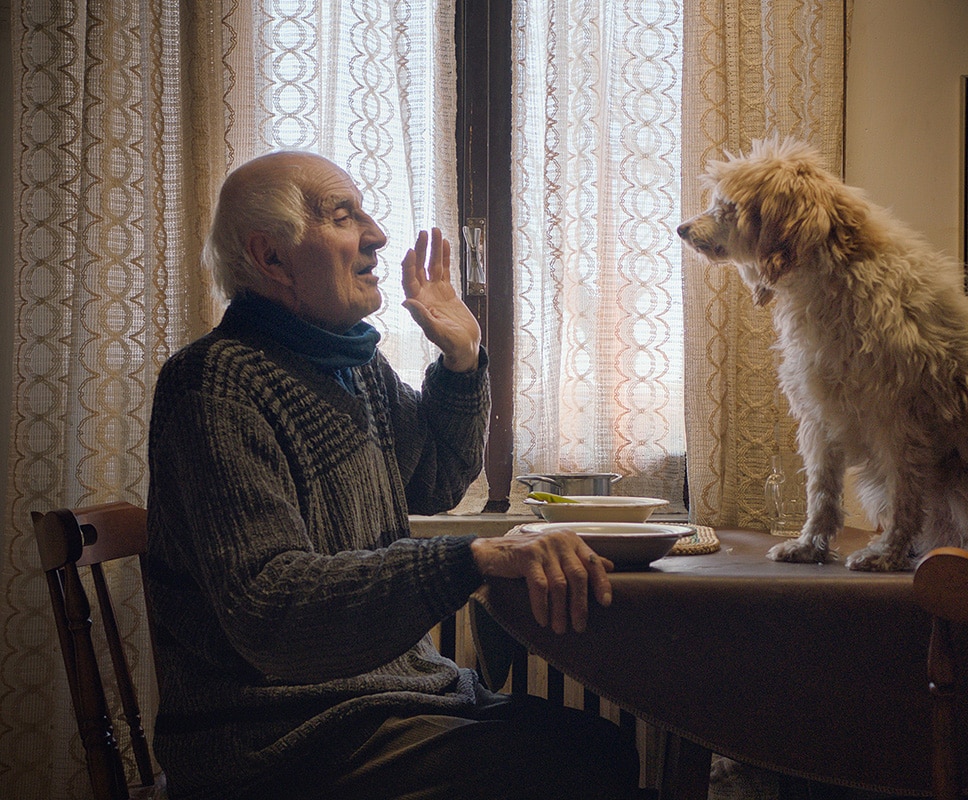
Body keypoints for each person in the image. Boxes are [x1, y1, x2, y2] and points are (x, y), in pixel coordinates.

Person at [145, 151, 643, 800]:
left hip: (386, 704)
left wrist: (462, 360)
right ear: (271, 259)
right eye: (344, 216)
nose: (377, 234)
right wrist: (474, 558)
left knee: (598, 747)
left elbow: (433, 477)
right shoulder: (215, 383)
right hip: (275, 741)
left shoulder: (354, 368)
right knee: (577, 765)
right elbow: (272, 608)